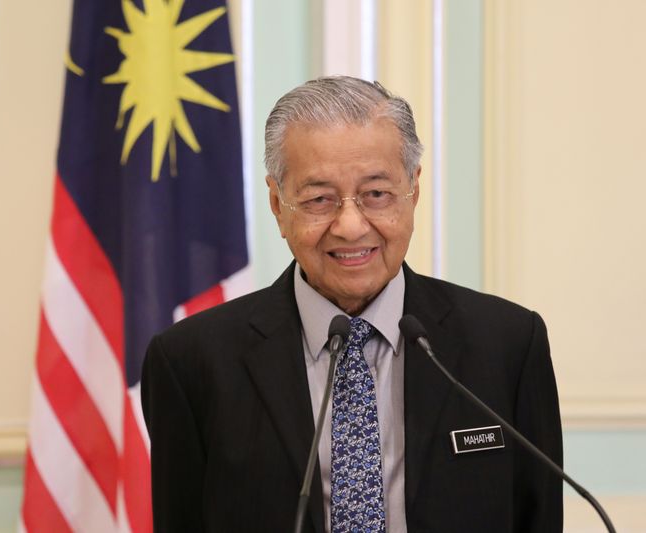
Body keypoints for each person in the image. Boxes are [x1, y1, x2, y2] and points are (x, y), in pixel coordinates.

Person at [141, 76, 563, 532]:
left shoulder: (507, 345)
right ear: (278, 205)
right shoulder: (192, 362)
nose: (350, 226)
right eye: (319, 199)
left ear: (414, 191)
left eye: (376, 194)